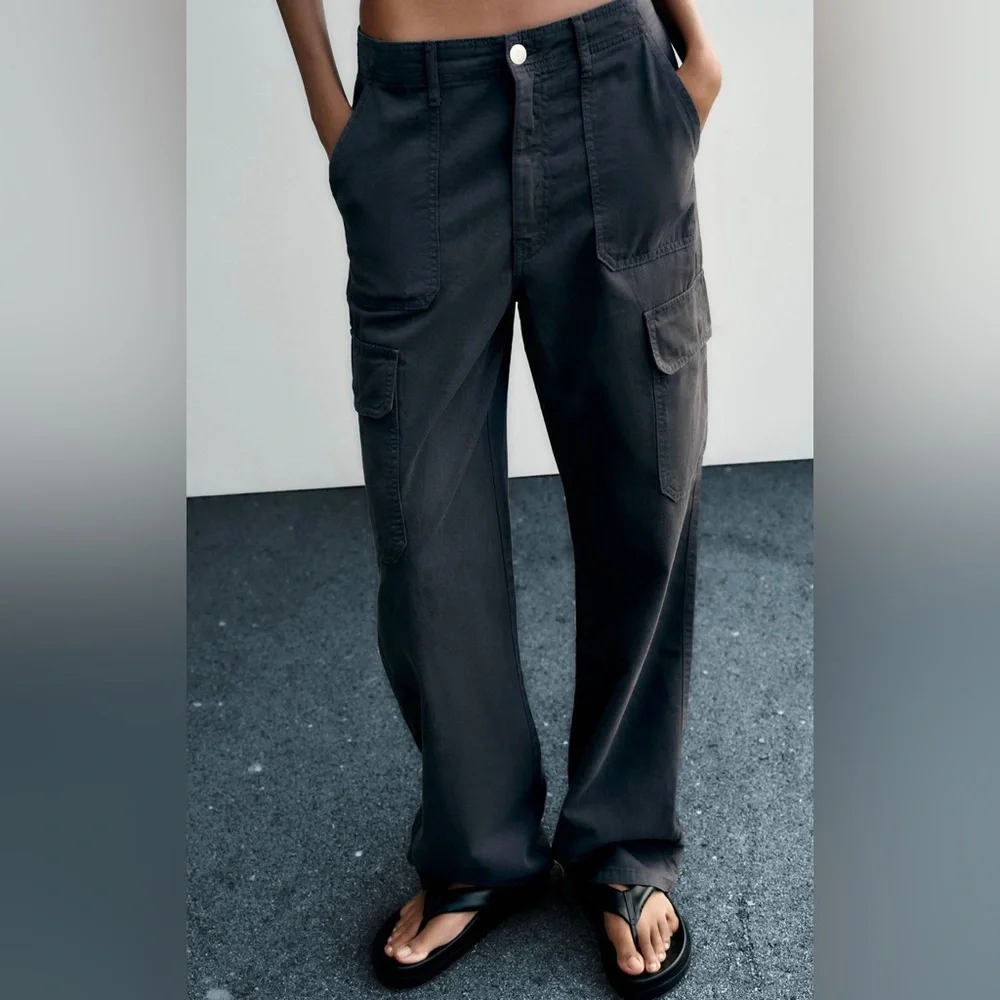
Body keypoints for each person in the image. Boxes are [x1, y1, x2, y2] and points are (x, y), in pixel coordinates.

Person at [277, 0, 721, 994]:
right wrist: (330, 112)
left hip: (611, 84)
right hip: (415, 115)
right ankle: (478, 844)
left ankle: (623, 838)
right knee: (425, 531)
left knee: (644, 494)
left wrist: (695, 53)